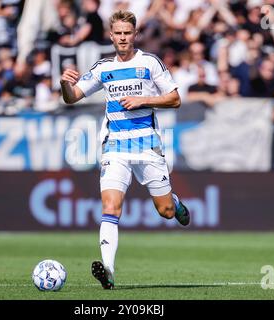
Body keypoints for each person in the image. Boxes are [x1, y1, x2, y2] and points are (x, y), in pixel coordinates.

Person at [60, 10, 190, 290]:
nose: (122, 37)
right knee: (110, 207)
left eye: (127, 33)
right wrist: (63, 85)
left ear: (135, 34)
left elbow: (175, 99)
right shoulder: (103, 68)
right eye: (118, 33)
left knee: (165, 211)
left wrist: (144, 100)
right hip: (115, 147)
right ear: (111, 36)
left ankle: (176, 203)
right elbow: (72, 98)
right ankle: (108, 271)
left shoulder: (150, 62)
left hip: (147, 145)